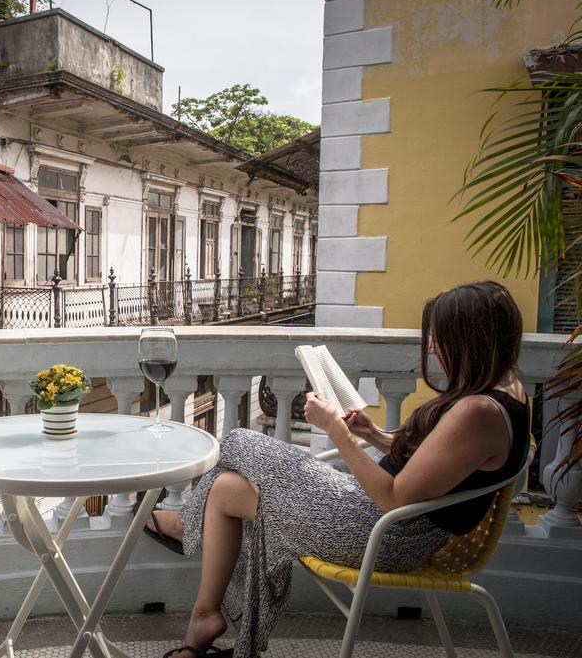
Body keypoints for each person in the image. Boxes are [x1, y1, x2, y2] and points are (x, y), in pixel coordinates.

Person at [146, 281, 531, 658]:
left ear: (474, 339)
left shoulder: (478, 411)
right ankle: (204, 617)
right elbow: (436, 468)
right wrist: (374, 434)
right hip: (385, 520)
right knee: (224, 487)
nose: (431, 346)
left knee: (237, 442)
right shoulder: (507, 390)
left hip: (386, 534)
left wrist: (334, 429)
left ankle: (187, 526)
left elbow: (393, 498)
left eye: (442, 336)